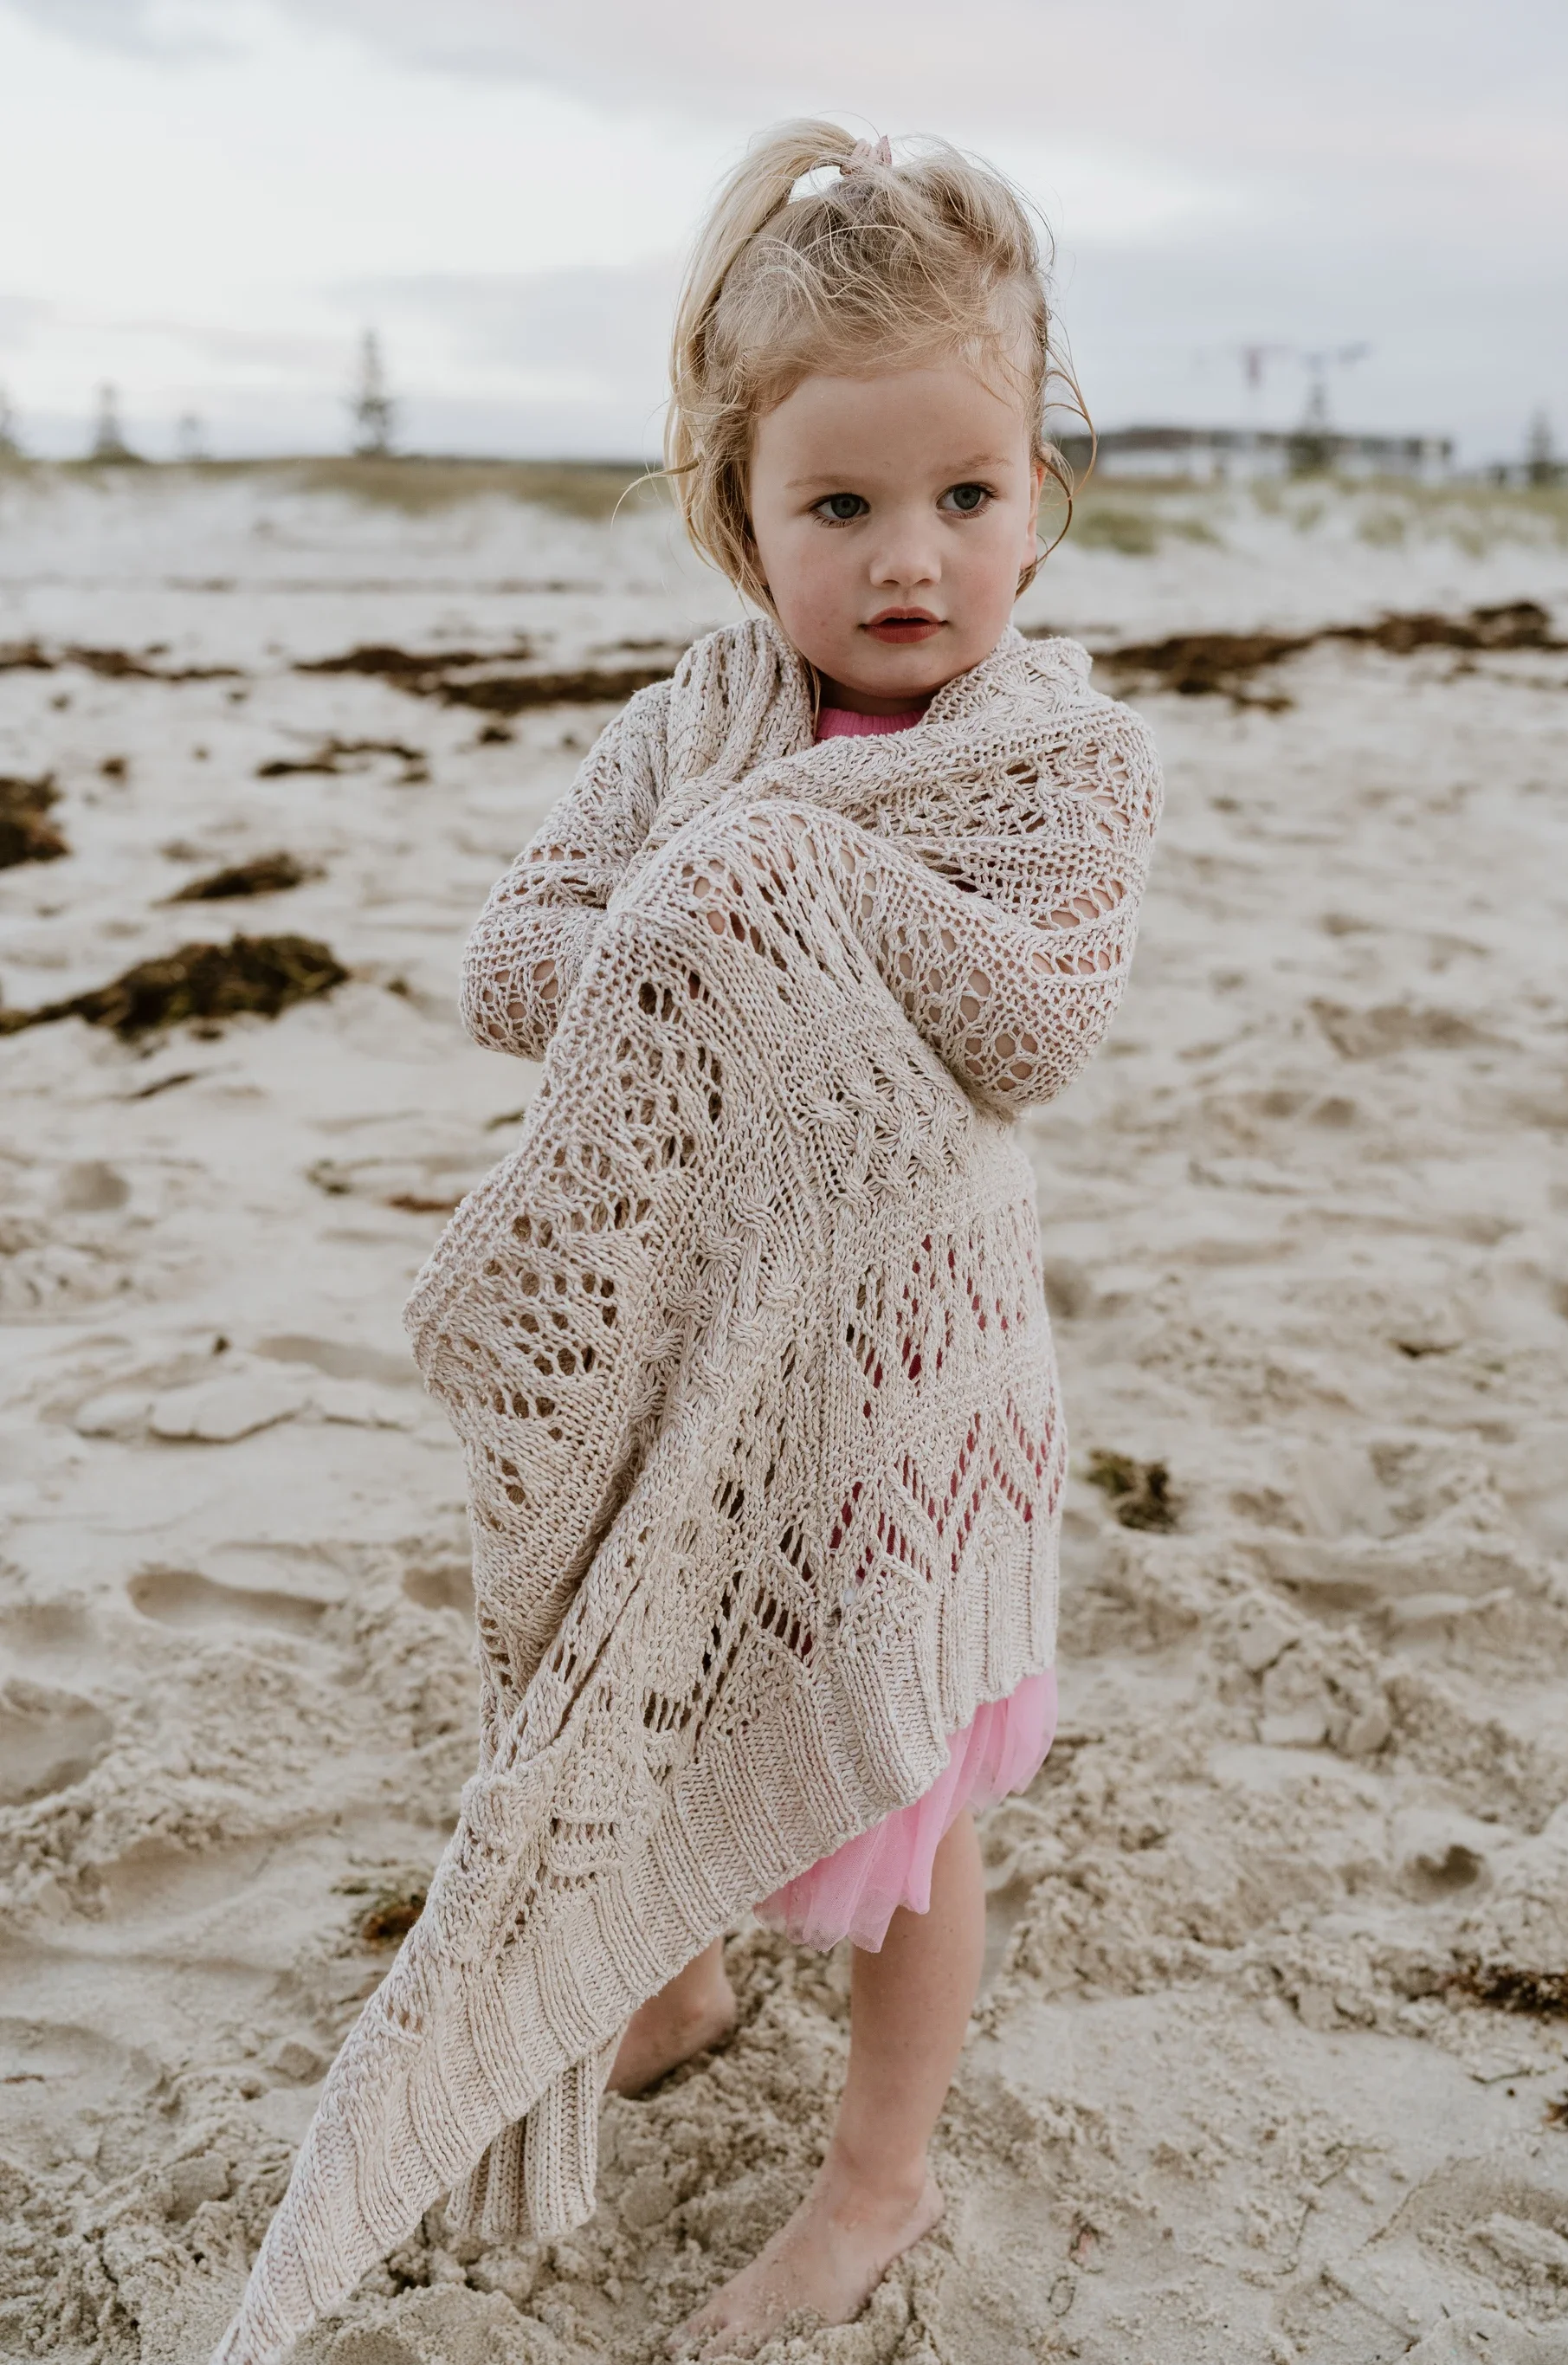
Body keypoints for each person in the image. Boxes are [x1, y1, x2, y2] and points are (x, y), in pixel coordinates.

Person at [213, 120, 1160, 2365]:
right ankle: (680, 1973)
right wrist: (691, 915)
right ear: (738, 517)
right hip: (689, 1341)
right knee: (660, 1690)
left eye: (965, 494)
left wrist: (803, 881)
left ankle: (878, 2174)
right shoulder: (690, 730)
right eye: (838, 508)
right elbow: (511, 961)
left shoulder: (1063, 762)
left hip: (910, 1381)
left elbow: (1034, 1024)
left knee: (903, 1792)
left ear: (1039, 496)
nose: (909, 556)